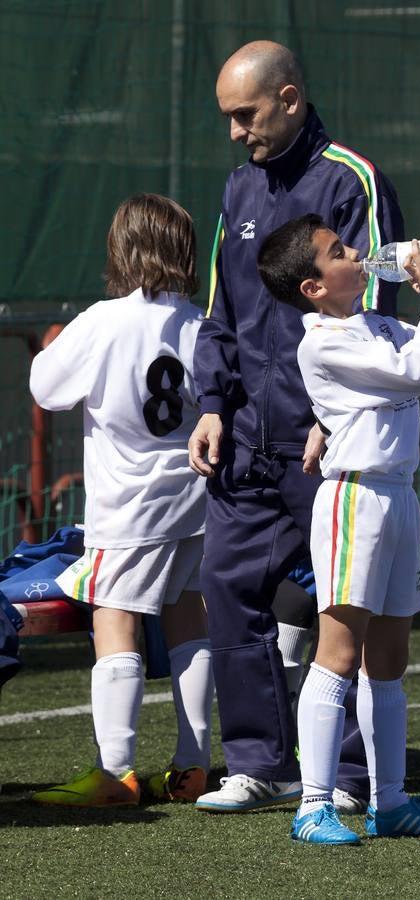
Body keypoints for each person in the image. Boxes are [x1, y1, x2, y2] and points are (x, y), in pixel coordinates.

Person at [188, 40, 403, 813]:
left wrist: (329, 412)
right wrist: (211, 404)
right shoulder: (238, 189)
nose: (235, 132)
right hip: (246, 439)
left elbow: (374, 306)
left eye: (244, 115)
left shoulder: (351, 179)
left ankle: (347, 776)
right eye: (227, 119)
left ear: (287, 98)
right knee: (227, 585)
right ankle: (255, 763)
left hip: (326, 442)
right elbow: (221, 311)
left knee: (344, 604)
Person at [263, 217, 420, 844]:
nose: (357, 255)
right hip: (354, 498)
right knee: (338, 654)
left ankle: (389, 802)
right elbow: (415, 373)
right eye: (339, 253)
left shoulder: (378, 325)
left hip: (398, 495)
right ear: (313, 287)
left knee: (389, 660)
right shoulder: (322, 342)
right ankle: (314, 805)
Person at [28, 195, 214, 808]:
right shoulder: (199, 325)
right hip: (194, 498)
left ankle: (115, 773)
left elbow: (46, 387)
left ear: (122, 251)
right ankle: (193, 764)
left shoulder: (103, 320)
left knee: (114, 619)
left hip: (129, 505)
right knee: (189, 617)